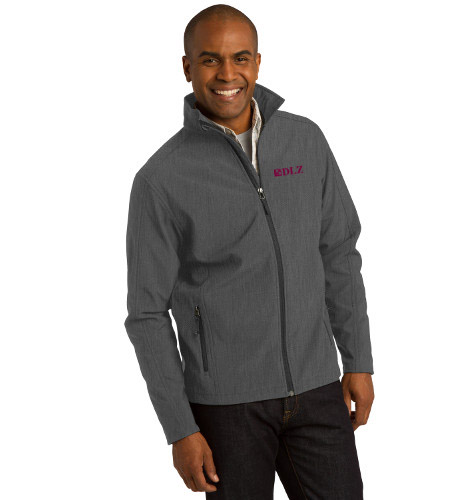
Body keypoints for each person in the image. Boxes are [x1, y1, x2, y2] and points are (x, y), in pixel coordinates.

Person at [124, 4, 375, 499]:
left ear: (257, 63)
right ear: (187, 67)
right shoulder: (161, 179)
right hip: (226, 407)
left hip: (318, 388)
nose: (227, 74)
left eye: (240, 57)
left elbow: (339, 254)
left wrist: (358, 360)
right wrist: (180, 428)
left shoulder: (305, 140)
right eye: (210, 59)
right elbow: (147, 314)